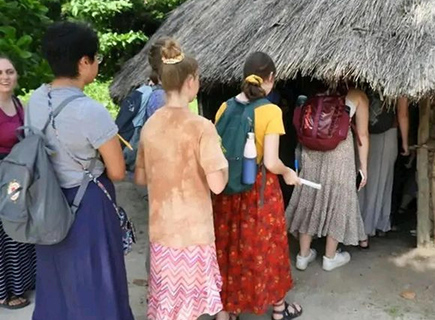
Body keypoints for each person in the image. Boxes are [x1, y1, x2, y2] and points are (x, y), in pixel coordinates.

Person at [28, 22, 134, 320]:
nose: (97, 62)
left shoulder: (35, 99)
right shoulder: (91, 112)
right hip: (87, 206)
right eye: (95, 57)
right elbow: (116, 171)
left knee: (56, 279)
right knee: (98, 280)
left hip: (48, 202)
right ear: (83, 62)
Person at [135, 38, 228, 320]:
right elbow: (217, 185)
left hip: (162, 232)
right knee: (191, 308)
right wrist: (223, 164)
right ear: (190, 81)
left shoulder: (150, 126)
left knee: (168, 308)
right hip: (193, 235)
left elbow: (140, 177)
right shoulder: (201, 127)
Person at [214, 52, 303, 320]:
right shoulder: (271, 111)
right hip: (259, 191)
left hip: (227, 191)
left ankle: (230, 309)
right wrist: (289, 173)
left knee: (230, 246)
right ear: (271, 79)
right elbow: (273, 161)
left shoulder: (224, 107)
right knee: (267, 247)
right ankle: (278, 309)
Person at [286, 85, 370, 271]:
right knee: (337, 200)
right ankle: (330, 258)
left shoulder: (315, 93)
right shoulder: (358, 96)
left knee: (308, 198)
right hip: (339, 153)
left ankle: (303, 255)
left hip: (311, 152)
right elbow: (362, 135)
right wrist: (363, 167)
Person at [0, 56, 36, 310]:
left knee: (18, 227)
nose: (5, 77)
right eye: (0, 73)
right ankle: (6, 291)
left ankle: (22, 282)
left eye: (10, 71)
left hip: (16, 176)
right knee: (3, 234)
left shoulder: (19, 104)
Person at [358, 96, 409, 243]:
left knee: (362, 182)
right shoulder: (399, 81)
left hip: (363, 134)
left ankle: (359, 225)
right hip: (387, 135)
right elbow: (402, 114)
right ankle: (373, 226)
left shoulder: (363, 78)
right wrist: (405, 142)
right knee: (381, 182)